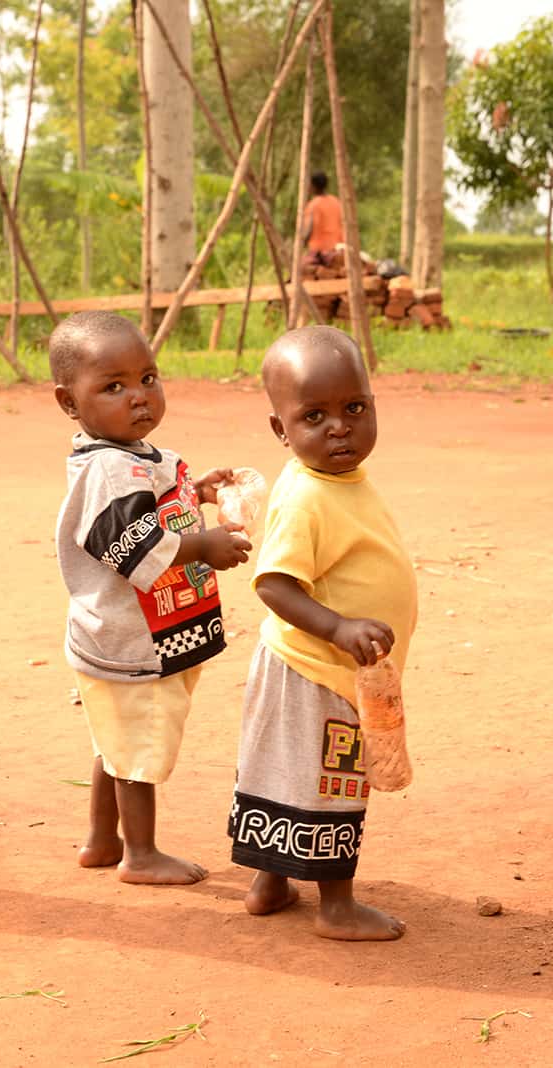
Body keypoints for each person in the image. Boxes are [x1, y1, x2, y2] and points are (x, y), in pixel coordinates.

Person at [226, 325, 418, 940]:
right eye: (314, 416)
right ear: (281, 430)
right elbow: (274, 584)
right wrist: (338, 627)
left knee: (282, 774)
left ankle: (270, 882)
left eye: (354, 408)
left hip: (316, 668)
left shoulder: (342, 480)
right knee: (333, 783)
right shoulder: (309, 495)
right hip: (315, 672)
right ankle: (336, 906)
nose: (340, 427)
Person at [51, 311, 253, 885]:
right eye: (112, 387)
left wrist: (200, 491)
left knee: (114, 743)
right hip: (133, 643)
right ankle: (140, 855)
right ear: (69, 402)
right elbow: (131, 545)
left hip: (128, 638)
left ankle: (101, 841)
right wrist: (203, 546)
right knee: (138, 750)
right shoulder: (108, 469)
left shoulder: (128, 453)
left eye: (147, 377)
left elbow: (158, 496)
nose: (137, 396)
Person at [300, 172, 344, 271]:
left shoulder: (313, 205)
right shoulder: (336, 202)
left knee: (299, 268)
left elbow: (309, 230)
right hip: (337, 248)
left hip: (319, 251)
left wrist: (301, 244)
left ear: (313, 186)